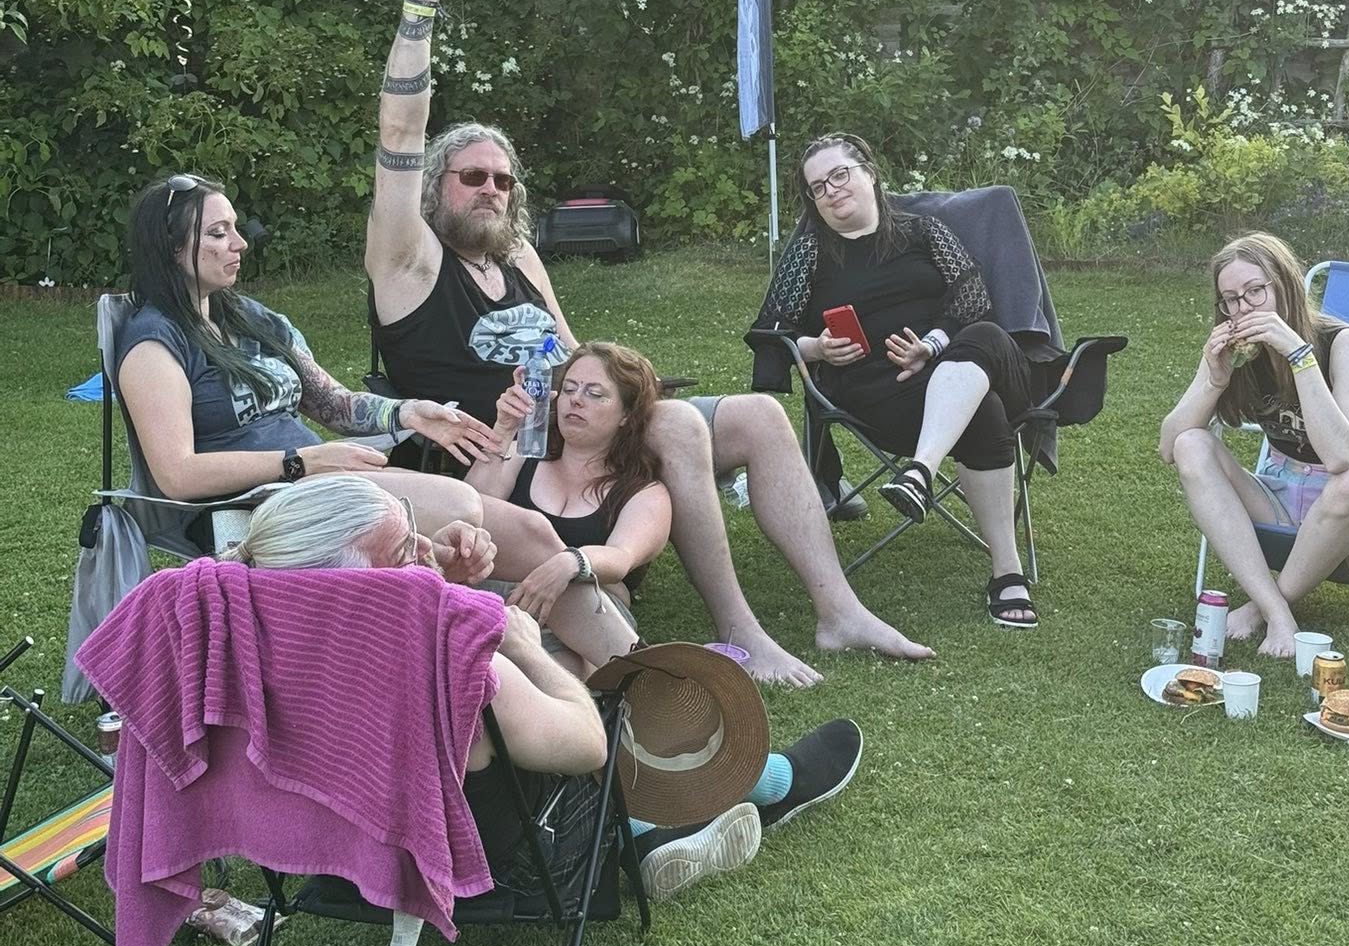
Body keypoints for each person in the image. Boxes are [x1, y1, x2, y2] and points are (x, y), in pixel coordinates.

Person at [364, 0, 932, 683]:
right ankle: (741, 632)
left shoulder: (518, 253)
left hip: (578, 421)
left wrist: (621, 383)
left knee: (761, 416)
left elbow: (573, 354)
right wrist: (420, 7)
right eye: (473, 177)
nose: (491, 189)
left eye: (503, 180)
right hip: (507, 450)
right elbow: (399, 134)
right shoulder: (409, 264)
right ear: (437, 186)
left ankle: (838, 611)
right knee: (677, 428)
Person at [235, 476, 865, 903]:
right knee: (600, 712)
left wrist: (437, 581)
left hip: (340, 868)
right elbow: (588, 745)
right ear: (353, 586)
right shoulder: (460, 664)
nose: (426, 546)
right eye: (405, 548)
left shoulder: (237, 660)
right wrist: (525, 650)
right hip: (505, 868)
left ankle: (652, 832)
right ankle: (720, 797)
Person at [114, 170, 501, 552]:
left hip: (314, 485)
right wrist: (300, 462)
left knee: (518, 530)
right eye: (218, 233)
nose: (240, 243)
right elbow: (177, 475)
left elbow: (332, 403)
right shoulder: (154, 343)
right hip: (259, 507)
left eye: (234, 228)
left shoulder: (250, 318)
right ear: (171, 248)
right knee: (460, 506)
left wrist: (407, 412)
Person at [749, 132, 1042, 631]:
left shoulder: (923, 232)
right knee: (984, 411)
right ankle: (1008, 573)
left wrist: (931, 346)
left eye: (840, 174)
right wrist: (818, 348)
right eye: (818, 187)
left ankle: (919, 471)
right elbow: (770, 334)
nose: (832, 190)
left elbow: (973, 300)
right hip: (878, 394)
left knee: (987, 334)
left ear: (870, 173)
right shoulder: (810, 254)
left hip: (959, 364)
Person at [1159, 231, 1349, 659]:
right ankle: (1278, 612)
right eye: (1230, 300)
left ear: (1286, 285)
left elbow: (1339, 456)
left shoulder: (1348, 346)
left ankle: (1259, 608)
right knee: (1191, 445)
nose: (1243, 309)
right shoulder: (1242, 355)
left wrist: (1298, 354)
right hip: (1280, 500)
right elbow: (1169, 445)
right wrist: (1213, 379)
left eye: (1255, 291)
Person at [468, 342, 672, 631]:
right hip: (495, 602)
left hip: (581, 619)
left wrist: (569, 563)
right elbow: (470, 512)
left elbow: (621, 557)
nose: (575, 400)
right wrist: (503, 431)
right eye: (569, 389)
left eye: (594, 394)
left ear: (627, 414)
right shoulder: (521, 457)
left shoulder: (643, 493)